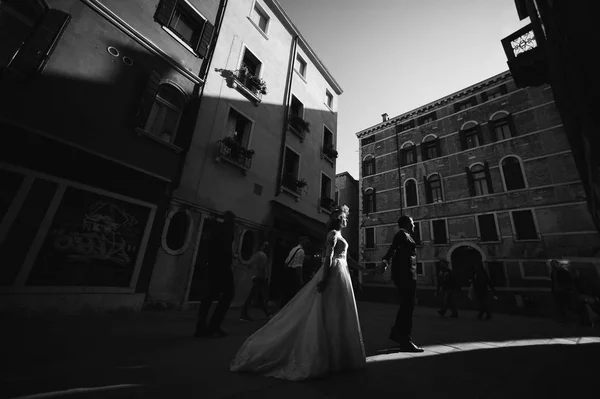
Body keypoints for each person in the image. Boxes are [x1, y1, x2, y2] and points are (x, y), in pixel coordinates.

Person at [230, 205, 375, 381]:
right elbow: (329, 257)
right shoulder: (333, 235)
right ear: (339, 219)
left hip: (341, 273)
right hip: (335, 274)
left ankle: (337, 356)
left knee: (337, 312)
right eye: (344, 217)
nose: (346, 220)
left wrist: (365, 271)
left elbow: (348, 259)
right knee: (328, 311)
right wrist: (325, 278)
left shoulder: (339, 235)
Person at [380, 215, 423, 352]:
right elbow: (392, 249)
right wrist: (385, 262)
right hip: (404, 275)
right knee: (408, 306)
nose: (414, 225)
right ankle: (405, 339)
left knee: (407, 305)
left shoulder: (405, 236)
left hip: (408, 275)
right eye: (413, 222)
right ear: (407, 223)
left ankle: (398, 333)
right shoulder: (401, 235)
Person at [194, 211, 236, 338]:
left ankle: (203, 327)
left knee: (209, 296)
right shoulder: (227, 230)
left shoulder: (218, 230)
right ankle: (213, 325)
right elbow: (225, 249)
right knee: (228, 294)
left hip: (214, 266)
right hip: (221, 267)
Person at [240, 241, 271, 322]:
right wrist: (264, 277)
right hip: (260, 278)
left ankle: (267, 312)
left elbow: (249, 263)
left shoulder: (257, 254)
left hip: (256, 277)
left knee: (258, 295)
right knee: (255, 295)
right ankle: (244, 313)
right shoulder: (263, 255)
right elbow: (263, 268)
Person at [281, 236, 309, 307]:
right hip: (293, 274)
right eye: (306, 241)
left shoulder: (294, 249)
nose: (307, 243)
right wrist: (300, 279)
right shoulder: (301, 251)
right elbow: (298, 267)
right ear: (302, 241)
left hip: (288, 272)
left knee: (286, 294)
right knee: (292, 295)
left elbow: (286, 262)